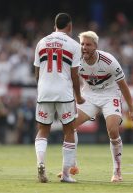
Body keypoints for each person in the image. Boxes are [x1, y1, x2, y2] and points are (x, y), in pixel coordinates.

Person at [59, 31, 133, 182]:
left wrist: (132, 110)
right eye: (82, 44)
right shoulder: (76, 60)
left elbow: (123, 85)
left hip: (110, 96)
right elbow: (70, 81)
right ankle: (71, 165)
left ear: (96, 46)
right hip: (89, 96)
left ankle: (117, 171)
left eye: (88, 44)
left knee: (113, 130)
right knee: (69, 126)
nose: (84, 47)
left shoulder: (109, 61)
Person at [33, 13, 84, 183]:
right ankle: (66, 174)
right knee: (68, 130)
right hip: (64, 92)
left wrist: (41, 88)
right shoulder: (74, 45)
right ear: (69, 26)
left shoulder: (41, 42)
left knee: (42, 130)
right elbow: (75, 75)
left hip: (44, 91)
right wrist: (78, 95)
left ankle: (40, 163)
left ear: (54, 25)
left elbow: (37, 71)